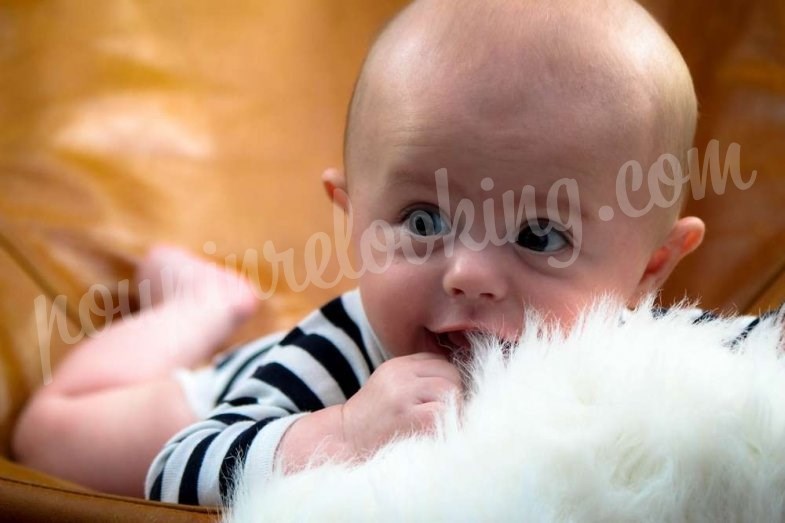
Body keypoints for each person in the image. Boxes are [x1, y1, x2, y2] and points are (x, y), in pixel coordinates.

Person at [13, 0, 741, 505]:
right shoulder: (339, 347)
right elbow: (179, 460)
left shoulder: (635, 354)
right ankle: (202, 304)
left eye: (539, 236)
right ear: (352, 218)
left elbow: (737, 360)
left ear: (650, 269)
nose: (468, 272)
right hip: (238, 394)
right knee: (52, 433)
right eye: (423, 218)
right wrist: (337, 432)